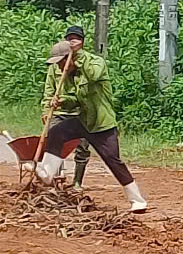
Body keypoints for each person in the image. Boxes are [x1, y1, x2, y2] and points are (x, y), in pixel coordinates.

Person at [39, 26, 150, 214]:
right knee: (57, 132)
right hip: (83, 120)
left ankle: (137, 200)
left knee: (112, 160)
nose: (58, 67)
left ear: (70, 58)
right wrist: (61, 101)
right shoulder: (68, 74)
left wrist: (77, 59)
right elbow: (75, 99)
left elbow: (94, 76)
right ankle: (48, 172)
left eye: (61, 62)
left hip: (101, 123)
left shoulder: (95, 63)